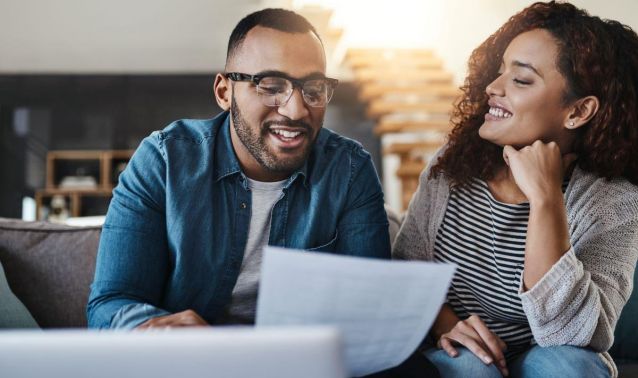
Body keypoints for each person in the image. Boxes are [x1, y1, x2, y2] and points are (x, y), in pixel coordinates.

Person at [87, 8, 391, 330]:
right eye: (271, 87)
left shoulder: (350, 170)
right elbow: (110, 304)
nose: (296, 110)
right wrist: (158, 328)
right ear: (224, 92)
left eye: (313, 89)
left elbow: (370, 307)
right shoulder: (163, 162)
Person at [393, 2, 638, 377]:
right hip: (457, 352)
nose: (493, 88)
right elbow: (408, 269)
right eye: (499, 71)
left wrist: (545, 199)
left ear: (578, 111)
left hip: (549, 354)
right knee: (474, 369)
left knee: (569, 366)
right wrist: (446, 325)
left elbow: (573, 333)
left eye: (521, 80)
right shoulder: (452, 166)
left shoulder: (612, 200)